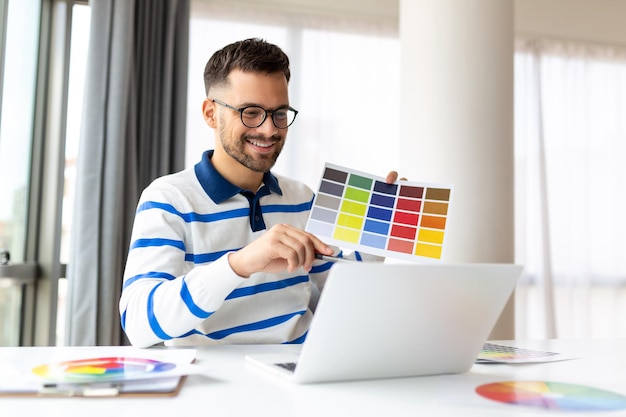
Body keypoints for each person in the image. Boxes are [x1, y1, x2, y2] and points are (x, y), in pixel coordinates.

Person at [120, 38, 401, 347]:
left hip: (301, 371)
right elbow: (139, 322)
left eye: (279, 113)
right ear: (211, 113)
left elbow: (343, 304)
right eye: (251, 112)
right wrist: (239, 265)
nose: (269, 129)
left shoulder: (301, 197)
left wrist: (378, 228)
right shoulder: (168, 200)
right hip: (216, 383)